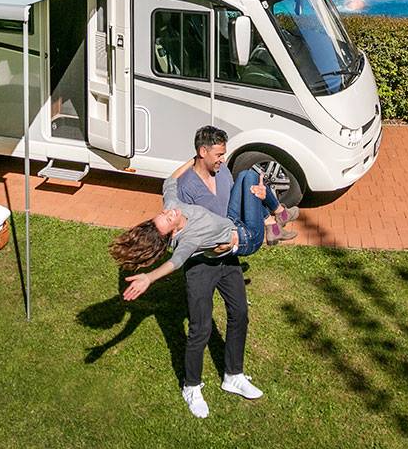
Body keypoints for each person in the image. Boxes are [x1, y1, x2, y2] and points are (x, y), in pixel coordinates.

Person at [109, 135, 297, 418]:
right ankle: (191, 386)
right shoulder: (186, 239)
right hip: (227, 251)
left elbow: (168, 182)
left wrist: (193, 160)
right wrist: (149, 277)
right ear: (173, 231)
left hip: (229, 246)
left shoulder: (175, 204)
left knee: (239, 314)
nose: (169, 212)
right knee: (200, 328)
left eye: (165, 213)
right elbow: (175, 262)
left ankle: (233, 375)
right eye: (168, 218)